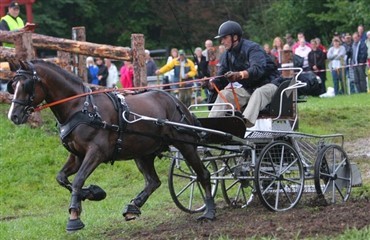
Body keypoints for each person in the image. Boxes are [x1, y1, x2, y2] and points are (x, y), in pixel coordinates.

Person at [208, 20, 280, 128]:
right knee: (225, 94)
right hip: (249, 89)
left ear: (235, 37)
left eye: (224, 38)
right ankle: (209, 127)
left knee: (258, 93)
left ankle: (242, 125)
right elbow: (221, 78)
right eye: (221, 39)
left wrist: (239, 74)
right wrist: (211, 84)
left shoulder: (253, 48)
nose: (222, 41)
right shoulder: (226, 55)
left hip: (270, 84)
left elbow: (257, 69)